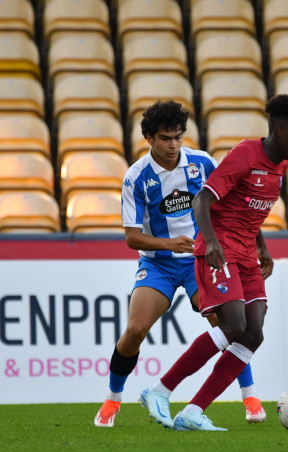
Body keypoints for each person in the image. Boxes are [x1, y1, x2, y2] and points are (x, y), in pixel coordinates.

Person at [139, 94, 288, 431]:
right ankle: (161, 389)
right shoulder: (245, 154)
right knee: (234, 328)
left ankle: (191, 411)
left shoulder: (281, 163)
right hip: (219, 250)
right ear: (280, 131)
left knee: (254, 334)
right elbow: (202, 200)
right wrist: (213, 242)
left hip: (248, 253)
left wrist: (262, 247)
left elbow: (251, 209)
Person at [93, 99, 266, 427]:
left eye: (178, 137)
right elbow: (131, 237)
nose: (173, 145)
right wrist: (168, 243)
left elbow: (234, 206)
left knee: (228, 322)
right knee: (134, 330)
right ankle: (113, 399)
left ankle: (250, 396)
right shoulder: (136, 178)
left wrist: (255, 243)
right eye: (165, 138)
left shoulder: (202, 163)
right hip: (158, 264)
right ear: (149, 138)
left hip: (200, 259)